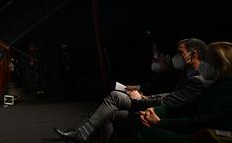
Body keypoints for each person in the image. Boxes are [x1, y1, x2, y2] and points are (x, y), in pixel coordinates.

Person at [53, 38, 211, 143]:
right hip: (158, 105)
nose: (176, 56)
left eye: (180, 53)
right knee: (109, 114)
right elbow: (169, 95)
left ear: (194, 54)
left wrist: (140, 99)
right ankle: (83, 134)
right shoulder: (189, 75)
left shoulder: (197, 79)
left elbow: (169, 101)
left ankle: (81, 134)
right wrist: (143, 94)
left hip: (163, 113)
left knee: (115, 96)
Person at [136, 41, 232, 143]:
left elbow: (202, 122)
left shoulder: (226, 87)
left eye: (207, 60)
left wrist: (160, 122)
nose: (203, 63)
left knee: (143, 130)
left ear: (222, 63)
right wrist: (157, 110)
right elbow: (191, 106)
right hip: (197, 129)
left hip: (208, 136)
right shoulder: (216, 83)